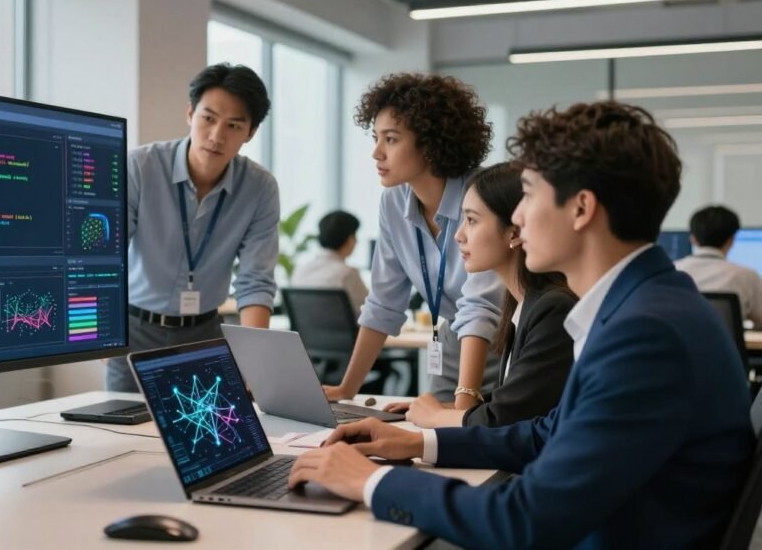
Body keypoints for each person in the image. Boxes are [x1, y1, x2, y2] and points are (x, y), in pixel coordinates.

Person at [288, 101, 754, 549]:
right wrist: (419, 441)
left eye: (528, 194)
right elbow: (548, 433)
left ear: (581, 208)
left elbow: (526, 521)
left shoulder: (646, 335)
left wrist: (371, 481)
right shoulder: (645, 304)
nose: (515, 216)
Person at [323, 73, 504, 407]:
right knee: (433, 443)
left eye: (390, 139)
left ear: (432, 143)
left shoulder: (482, 194)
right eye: (376, 138)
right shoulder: (394, 202)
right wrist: (347, 389)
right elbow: (383, 303)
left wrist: (462, 409)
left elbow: (481, 307)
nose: (377, 153)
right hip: (451, 341)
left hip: (507, 343)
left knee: (480, 440)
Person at [109, 63, 280, 392]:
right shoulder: (139, 168)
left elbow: (255, 280)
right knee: (118, 436)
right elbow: (107, 258)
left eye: (234, 125)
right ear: (190, 113)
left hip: (205, 334)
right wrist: (103, 332)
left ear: (251, 132)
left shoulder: (260, 188)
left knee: (206, 436)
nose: (217, 136)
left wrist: (254, 361)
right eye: (209, 118)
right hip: (134, 330)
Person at [384, 162, 576, 428]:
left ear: (515, 231)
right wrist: (446, 409)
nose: (458, 236)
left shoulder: (553, 308)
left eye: (472, 220)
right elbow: (516, 402)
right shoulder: (520, 302)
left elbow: (509, 420)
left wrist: (438, 417)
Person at [675, 205, 762, 327]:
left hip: (677, 345)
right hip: (726, 346)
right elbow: (760, 320)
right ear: (731, 240)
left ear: (693, 239)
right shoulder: (747, 276)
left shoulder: (672, 271)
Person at [290, 210, 369, 315]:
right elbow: (370, 314)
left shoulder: (300, 270)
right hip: (344, 331)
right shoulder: (348, 273)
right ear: (350, 239)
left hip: (305, 332)